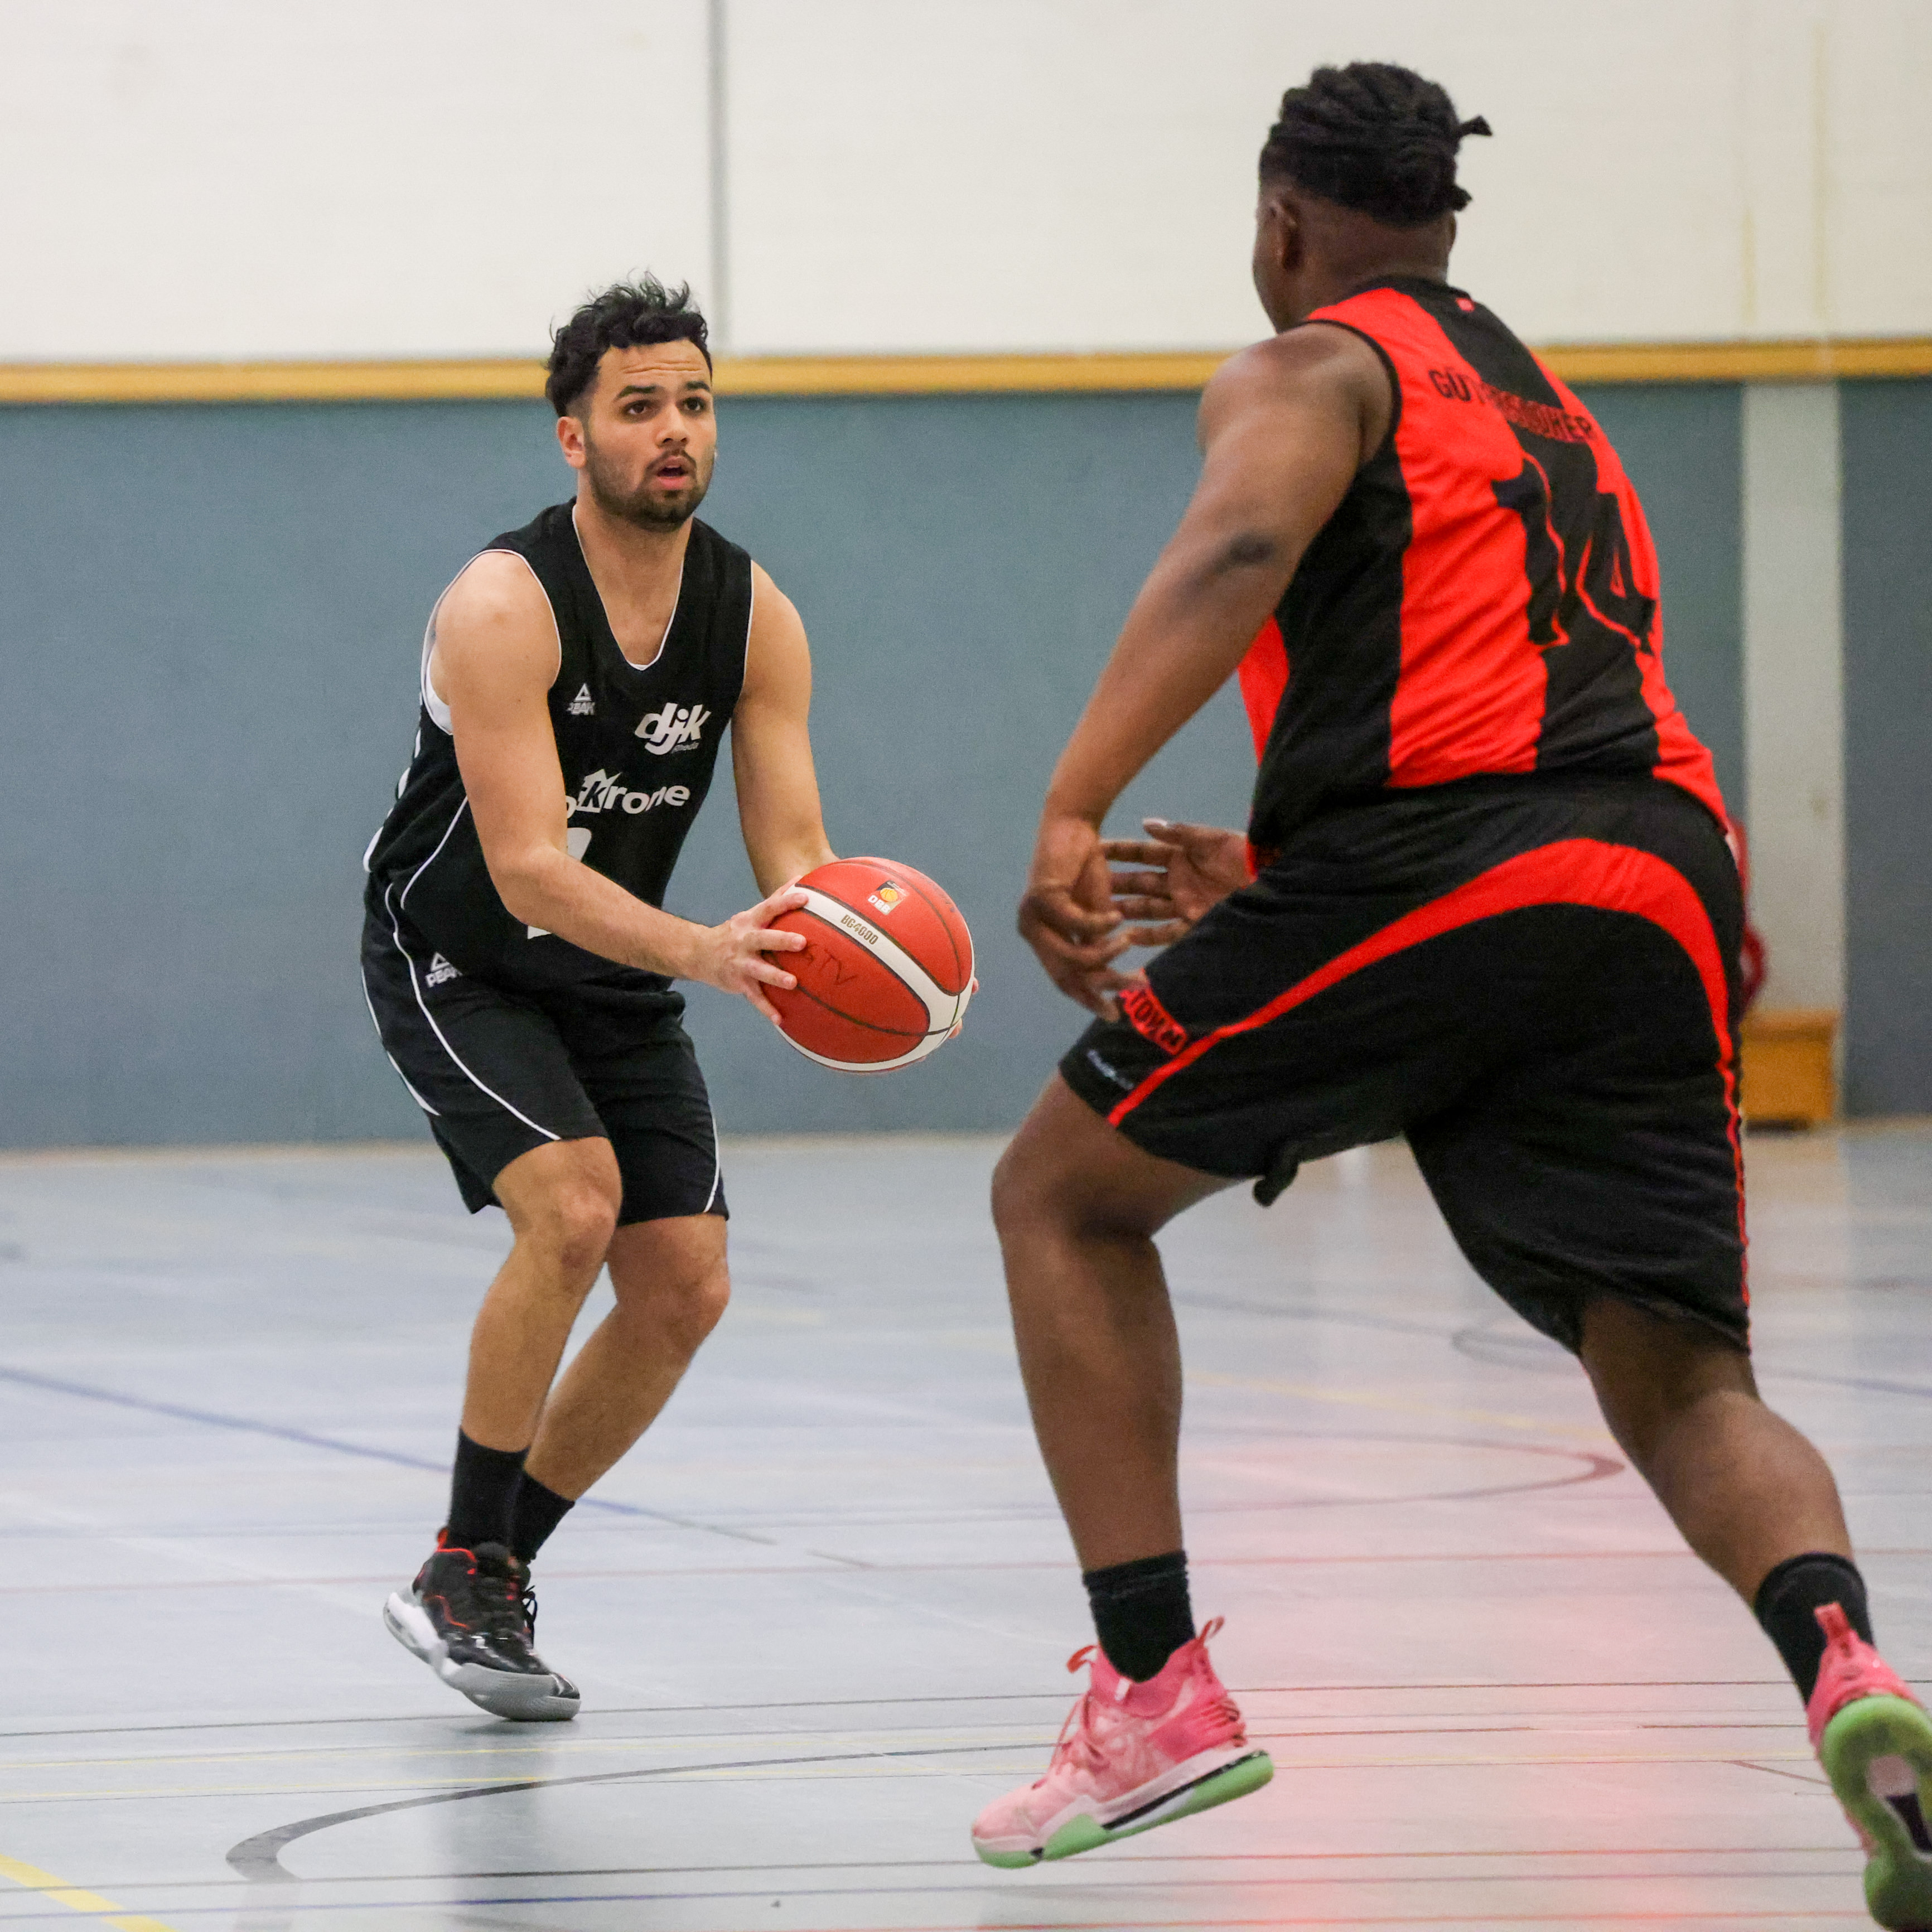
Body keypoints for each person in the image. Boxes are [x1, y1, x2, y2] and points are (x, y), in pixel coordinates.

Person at [972, 61, 1932, 1930]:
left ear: (1283, 220)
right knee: (1679, 1371)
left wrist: (1074, 800)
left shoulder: (1314, 363)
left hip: (1462, 856)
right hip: (1657, 880)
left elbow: (1241, 547)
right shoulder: (1545, 397)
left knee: (1060, 1199)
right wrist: (1297, 870)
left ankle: (1152, 1693)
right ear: (1445, 214)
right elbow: (1506, 675)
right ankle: (1850, 1669)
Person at [360, 278, 832, 1721]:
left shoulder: (752, 612)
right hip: (462, 953)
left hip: (614, 970)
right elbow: (525, 867)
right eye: (639, 406)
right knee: (571, 1206)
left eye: (694, 401)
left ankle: (487, 1573)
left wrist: (864, 957)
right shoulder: (503, 603)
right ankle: (464, 1554)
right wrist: (702, 951)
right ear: (574, 436)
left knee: (683, 1287)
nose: (674, 428)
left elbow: (796, 850)